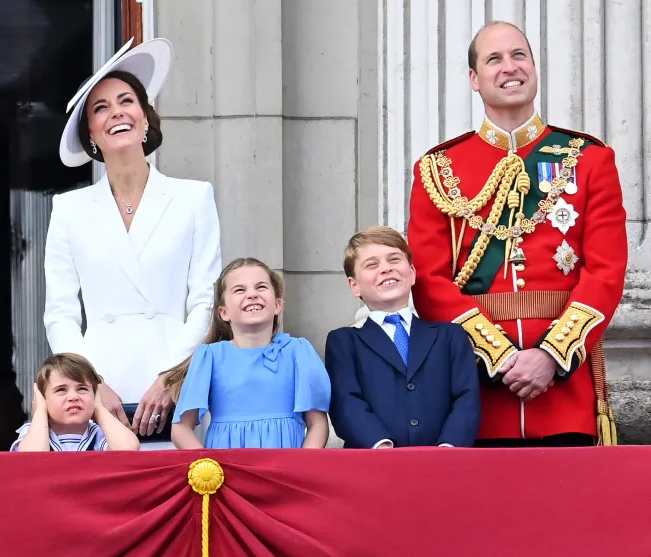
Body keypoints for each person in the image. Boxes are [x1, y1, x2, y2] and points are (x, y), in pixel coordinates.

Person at [407, 21, 627, 447]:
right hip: (476, 394)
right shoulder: (438, 169)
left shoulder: (589, 160)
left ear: (534, 67)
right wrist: (501, 356)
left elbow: (606, 272)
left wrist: (550, 355)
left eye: (519, 55)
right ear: (474, 79)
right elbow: (429, 282)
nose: (510, 67)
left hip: (564, 393)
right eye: (494, 59)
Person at [46, 38, 222, 449]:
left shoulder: (193, 197)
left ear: (145, 118)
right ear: (90, 133)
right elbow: (60, 312)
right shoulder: (69, 209)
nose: (116, 113)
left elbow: (204, 301)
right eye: (100, 108)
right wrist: (89, 382)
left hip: (177, 387)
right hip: (100, 385)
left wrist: (170, 377)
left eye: (126, 101)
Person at [325, 227, 480, 449]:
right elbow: (346, 402)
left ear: (413, 272)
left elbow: (467, 398)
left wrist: (448, 447)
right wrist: (380, 445)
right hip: (374, 463)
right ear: (354, 285)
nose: (386, 269)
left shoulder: (450, 335)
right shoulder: (344, 341)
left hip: (445, 462)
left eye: (394, 259)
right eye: (372, 264)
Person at [167, 258, 331, 449]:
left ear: (278, 304)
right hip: (226, 470)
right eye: (240, 290)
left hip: (286, 469)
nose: (252, 294)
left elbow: (318, 424)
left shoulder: (299, 351)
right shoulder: (209, 356)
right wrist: (209, 469)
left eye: (261, 287)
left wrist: (299, 469)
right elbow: (180, 429)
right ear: (224, 312)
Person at [10, 353, 140, 452]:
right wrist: (40, 412)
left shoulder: (100, 433)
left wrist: (100, 409)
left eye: (82, 389)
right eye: (61, 390)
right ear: (43, 399)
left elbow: (128, 451)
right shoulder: (34, 432)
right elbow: (32, 459)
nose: (73, 397)